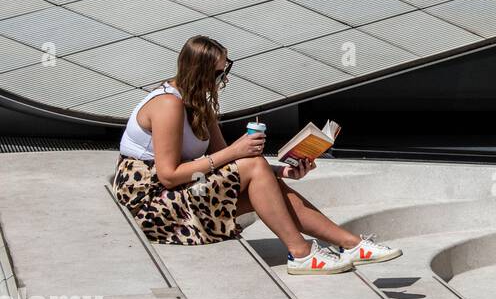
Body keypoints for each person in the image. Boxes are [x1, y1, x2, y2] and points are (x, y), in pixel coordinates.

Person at [112, 35, 401, 275]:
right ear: (199, 73)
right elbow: (168, 175)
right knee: (254, 166)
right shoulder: (168, 106)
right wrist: (236, 151)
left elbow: (226, 162)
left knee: (267, 182)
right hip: (151, 204)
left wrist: (282, 170)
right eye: (219, 72)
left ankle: (351, 244)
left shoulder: (201, 104)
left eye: (226, 68)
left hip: (188, 189)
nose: (224, 78)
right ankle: (302, 254)